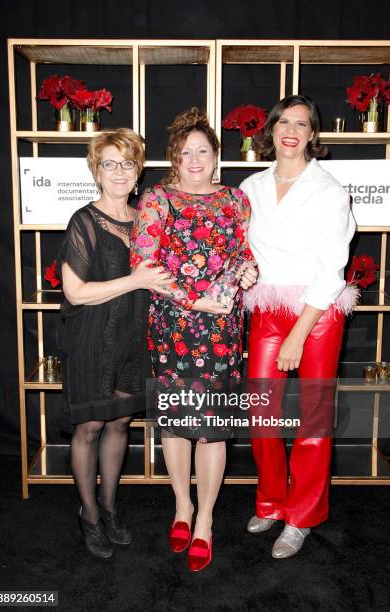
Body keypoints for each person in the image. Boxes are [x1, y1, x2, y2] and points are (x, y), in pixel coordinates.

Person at [131, 108, 257, 571]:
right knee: (177, 423)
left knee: (213, 429)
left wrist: (248, 271)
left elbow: (245, 252)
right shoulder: (158, 200)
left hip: (223, 329)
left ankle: (204, 519)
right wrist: (193, 301)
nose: (196, 159)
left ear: (216, 155)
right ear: (175, 159)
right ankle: (182, 505)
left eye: (203, 150)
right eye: (187, 153)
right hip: (174, 328)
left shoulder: (235, 200)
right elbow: (143, 265)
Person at [240, 95, 357, 559]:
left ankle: (302, 516)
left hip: (318, 313)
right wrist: (245, 270)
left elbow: (332, 270)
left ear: (313, 135)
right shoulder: (250, 186)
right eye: (283, 121)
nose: (291, 130)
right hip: (268, 306)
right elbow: (248, 251)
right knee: (261, 410)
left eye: (301, 123)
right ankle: (270, 500)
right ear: (270, 130)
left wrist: (297, 333)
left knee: (312, 417)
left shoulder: (329, 190)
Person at [57, 128, 172, 559]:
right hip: (90, 338)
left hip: (134, 337)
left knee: (120, 423)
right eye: (109, 163)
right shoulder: (84, 221)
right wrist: (137, 279)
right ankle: (88, 514)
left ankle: (108, 508)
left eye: (127, 162)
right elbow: (76, 292)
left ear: (138, 170)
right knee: (88, 426)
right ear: (96, 171)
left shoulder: (149, 219)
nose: (119, 171)